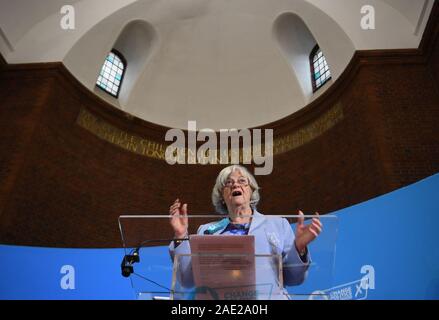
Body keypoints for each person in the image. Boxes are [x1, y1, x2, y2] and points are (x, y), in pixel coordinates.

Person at [168, 164, 322, 299]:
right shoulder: (206, 231)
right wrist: (181, 235)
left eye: (242, 181)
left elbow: (294, 278)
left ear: (251, 191)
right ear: (222, 196)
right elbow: (188, 280)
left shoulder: (278, 225)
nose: (235, 185)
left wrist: (298, 248)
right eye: (228, 183)